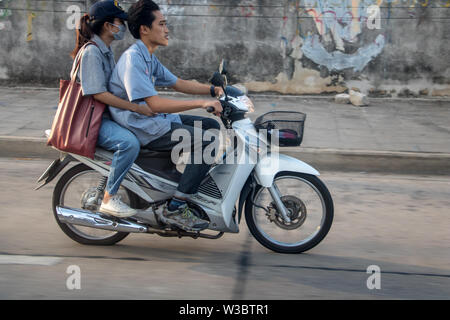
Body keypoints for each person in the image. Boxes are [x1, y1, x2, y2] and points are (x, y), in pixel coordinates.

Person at [108, 0, 224, 232]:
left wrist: (214, 91)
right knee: (208, 141)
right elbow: (156, 103)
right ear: (144, 29)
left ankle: (187, 183)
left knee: (211, 126)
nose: (167, 29)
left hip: (154, 121)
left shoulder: (148, 56)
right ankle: (176, 207)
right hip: (142, 127)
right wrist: (202, 102)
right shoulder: (134, 59)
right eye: (161, 24)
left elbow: (178, 83)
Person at [70, 0, 155, 218]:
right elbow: (98, 94)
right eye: (120, 22)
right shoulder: (92, 52)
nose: (122, 27)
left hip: (102, 116)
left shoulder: (105, 50)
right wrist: (134, 108)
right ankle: (109, 198)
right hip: (90, 122)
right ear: (108, 25)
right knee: (129, 144)